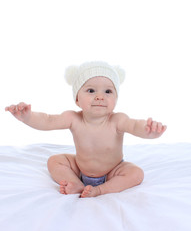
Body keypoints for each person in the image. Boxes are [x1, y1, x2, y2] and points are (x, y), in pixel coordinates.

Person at [5, 61, 167, 198]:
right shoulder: (73, 118)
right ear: (77, 98)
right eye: (91, 90)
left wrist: (148, 130)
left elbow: (134, 125)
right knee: (54, 160)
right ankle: (75, 183)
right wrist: (27, 117)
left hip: (113, 170)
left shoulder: (117, 120)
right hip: (80, 169)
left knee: (136, 173)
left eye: (108, 91)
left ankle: (100, 190)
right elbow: (48, 120)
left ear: (116, 98)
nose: (99, 96)